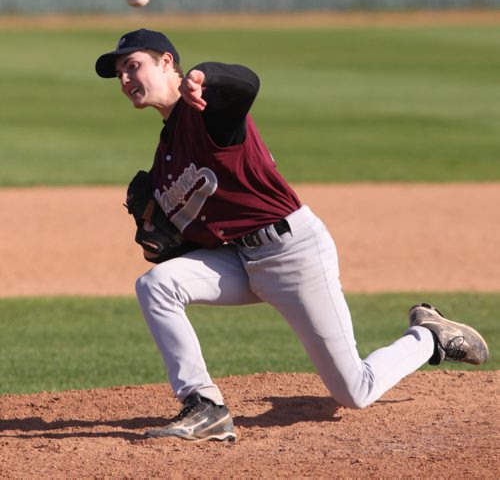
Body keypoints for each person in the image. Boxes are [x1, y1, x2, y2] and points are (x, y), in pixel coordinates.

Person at [95, 28, 489, 443]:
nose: (125, 79)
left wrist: (205, 75)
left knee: (355, 391)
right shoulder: (166, 157)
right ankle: (205, 406)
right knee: (156, 285)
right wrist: (162, 239)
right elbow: (191, 241)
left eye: (133, 65)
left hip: (293, 252)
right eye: (119, 72)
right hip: (242, 261)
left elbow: (247, 83)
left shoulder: (208, 109)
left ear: (167, 63)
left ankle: (429, 336)